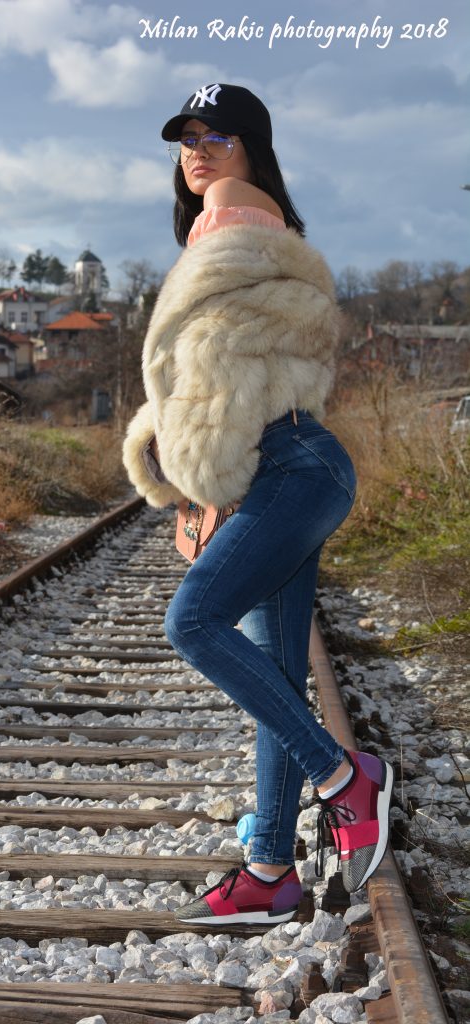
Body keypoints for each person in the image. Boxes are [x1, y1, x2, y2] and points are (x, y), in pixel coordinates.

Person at [122, 83, 393, 925]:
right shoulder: (259, 237)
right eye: (187, 139)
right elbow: (229, 369)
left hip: (283, 464)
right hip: (296, 464)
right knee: (273, 674)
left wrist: (194, 468)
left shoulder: (230, 212)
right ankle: (271, 870)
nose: (199, 152)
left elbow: (212, 380)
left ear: (251, 148)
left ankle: (344, 780)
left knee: (191, 621)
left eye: (219, 136)